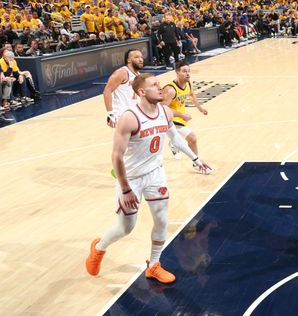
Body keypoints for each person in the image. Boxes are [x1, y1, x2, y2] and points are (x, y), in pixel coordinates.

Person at [85, 73, 213, 284]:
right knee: (126, 227)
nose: (160, 87)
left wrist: (196, 158)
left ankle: (153, 265)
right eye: (154, 85)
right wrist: (125, 189)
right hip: (131, 178)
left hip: (155, 174)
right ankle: (98, 248)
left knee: (162, 220)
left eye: (159, 84)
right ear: (141, 92)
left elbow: (175, 139)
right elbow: (116, 156)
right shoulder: (129, 117)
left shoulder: (165, 112)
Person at [162, 61, 209, 172]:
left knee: (190, 139)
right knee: (192, 138)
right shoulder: (170, 90)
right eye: (184, 71)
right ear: (177, 72)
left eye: (188, 71)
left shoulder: (188, 84)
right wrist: (182, 115)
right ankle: (197, 164)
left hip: (180, 118)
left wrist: (200, 108)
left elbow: (191, 95)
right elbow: (162, 109)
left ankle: (174, 143)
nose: (187, 74)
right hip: (170, 119)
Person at [103, 49, 143, 127]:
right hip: (121, 115)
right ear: (128, 60)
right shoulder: (122, 72)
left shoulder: (138, 74)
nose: (141, 59)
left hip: (135, 114)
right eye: (136, 57)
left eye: (141, 57)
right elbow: (107, 91)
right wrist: (110, 113)